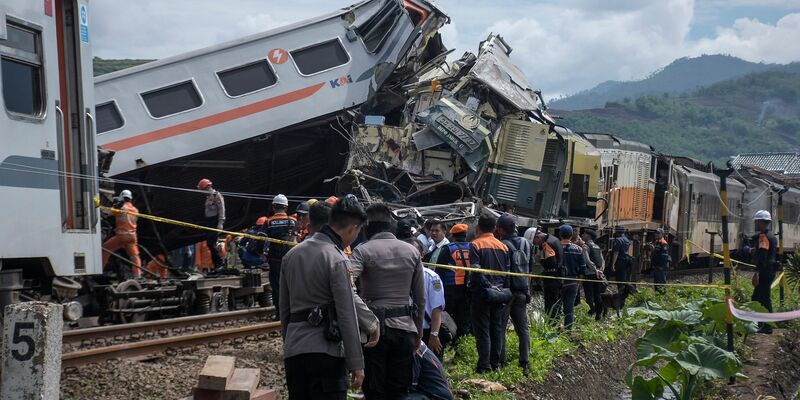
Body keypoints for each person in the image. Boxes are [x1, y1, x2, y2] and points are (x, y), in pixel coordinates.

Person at [279, 197, 369, 399]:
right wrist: (357, 363)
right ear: (353, 229)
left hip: (295, 351)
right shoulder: (337, 259)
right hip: (326, 352)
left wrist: (290, 344)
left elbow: (284, 310)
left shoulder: (291, 255)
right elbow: (347, 314)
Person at [350, 203, 426, 399]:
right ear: (390, 225)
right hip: (405, 329)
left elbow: (345, 284)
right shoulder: (412, 252)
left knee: (374, 390)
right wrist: (418, 332)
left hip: (374, 331)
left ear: (367, 228)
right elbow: (420, 298)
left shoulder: (362, 251)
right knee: (399, 390)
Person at [469, 214, 510, 373]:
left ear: (478, 228)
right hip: (500, 295)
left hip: (482, 293)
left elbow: (476, 271)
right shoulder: (503, 246)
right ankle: (495, 364)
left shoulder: (475, 244)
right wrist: (503, 291)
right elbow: (507, 273)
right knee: (496, 329)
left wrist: (489, 286)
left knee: (483, 331)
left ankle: (484, 366)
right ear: (494, 229)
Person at [495, 214, 532, 375]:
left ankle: (501, 362)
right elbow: (529, 268)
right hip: (522, 290)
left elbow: (501, 271)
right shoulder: (527, 243)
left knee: (501, 328)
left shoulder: (502, 245)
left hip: (507, 292)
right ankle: (525, 362)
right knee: (522, 329)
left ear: (501, 229)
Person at [264, 194, 297, 319]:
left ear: (273, 207)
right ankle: (294, 312)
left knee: (277, 286)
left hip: (275, 259)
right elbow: (294, 239)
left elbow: (261, 239)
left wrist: (260, 253)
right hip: (291, 257)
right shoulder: (292, 221)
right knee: (292, 284)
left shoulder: (269, 222)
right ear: (286, 207)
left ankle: (280, 314)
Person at [436, 224, 471, 341]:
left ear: (452, 236)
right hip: (467, 289)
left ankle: (447, 342)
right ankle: (460, 346)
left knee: (447, 318)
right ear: (465, 235)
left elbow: (439, 271)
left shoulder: (448, 248)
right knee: (463, 319)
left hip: (450, 289)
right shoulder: (473, 247)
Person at [102, 190, 142, 278]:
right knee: (135, 257)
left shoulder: (121, 208)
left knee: (105, 249)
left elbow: (107, 213)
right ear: (130, 199)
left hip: (121, 236)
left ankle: (100, 270)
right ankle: (138, 276)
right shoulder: (135, 210)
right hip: (132, 237)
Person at [751, 210, 778, 334]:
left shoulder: (763, 237)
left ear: (761, 222)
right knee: (758, 297)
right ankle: (760, 324)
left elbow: (763, 256)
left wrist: (757, 273)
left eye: (756, 221)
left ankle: (766, 326)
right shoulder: (771, 236)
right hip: (770, 271)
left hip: (765, 272)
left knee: (763, 299)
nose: (755, 224)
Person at [532, 229, 564, 321]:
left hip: (551, 279)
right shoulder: (554, 239)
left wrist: (540, 261)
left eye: (535, 242)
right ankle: (555, 325)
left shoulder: (547, 243)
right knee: (556, 303)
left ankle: (552, 326)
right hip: (557, 276)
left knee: (551, 304)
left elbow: (551, 261)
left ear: (538, 237)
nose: (537, 245)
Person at [559, 224, 586, 330]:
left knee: (556, 307)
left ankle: (554, 330)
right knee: (569, 309)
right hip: (573, 283)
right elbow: (583, 268)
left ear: (560, 234)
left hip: (559, 282)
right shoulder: (579, 249)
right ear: (571, 235)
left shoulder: (556, 248)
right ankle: (568, 331)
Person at [198, 179, 226, 269]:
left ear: (207, 187)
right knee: (210, 244)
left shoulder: (216, 195)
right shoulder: (208, 196)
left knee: (211, 244)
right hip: (209, 222)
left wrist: (220, 224)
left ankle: (220, 263)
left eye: (202, 189)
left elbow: (222, 209)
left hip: (215, 222)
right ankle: (216, 265)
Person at [421, 263, 446, 361]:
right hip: (407, 330)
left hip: (427, 330)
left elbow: (437, 308)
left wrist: (434, 335)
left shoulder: (431, 277)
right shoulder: (399, 274)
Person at [580, 228, 605, 320]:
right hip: (598, 274)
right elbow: (602, 260)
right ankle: (599, 314)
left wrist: (594, 270)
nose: (582, 235)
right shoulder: (597, 247)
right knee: (597, 295)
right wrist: (600, 270)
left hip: (590, 274)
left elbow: (587, 260)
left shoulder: (585, 246)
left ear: (588, 236)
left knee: (589, 295)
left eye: (584, 234)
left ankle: (592, 310)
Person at [610, 225, 633, 293]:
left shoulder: (618, 240)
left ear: (617, 232)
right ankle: (625, 293)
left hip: (620, 262)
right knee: (625, 279)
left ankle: (621, 294)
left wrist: (613, 264)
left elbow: (616, 253)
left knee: (620, 279)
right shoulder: (626, 239)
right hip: (627, 261)